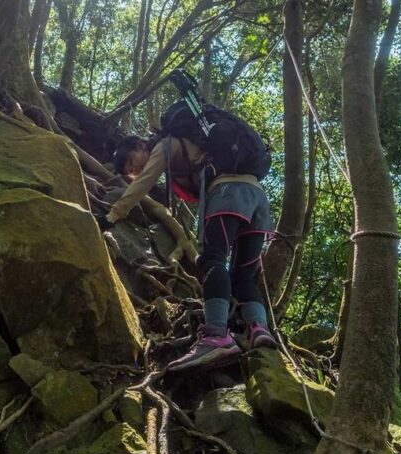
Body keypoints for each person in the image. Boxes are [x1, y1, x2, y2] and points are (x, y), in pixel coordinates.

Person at [102, 122, 278, 372]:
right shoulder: (195, 146)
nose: (136, 170)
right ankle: (259, 330)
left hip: (228, 192)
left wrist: (113, 215)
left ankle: (217, 335)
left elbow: (144, 185)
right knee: (243, 277)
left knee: (212, 259)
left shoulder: (163, 146)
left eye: (133, 162)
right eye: (131, 171)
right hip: (257, 198)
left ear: (140, 145)